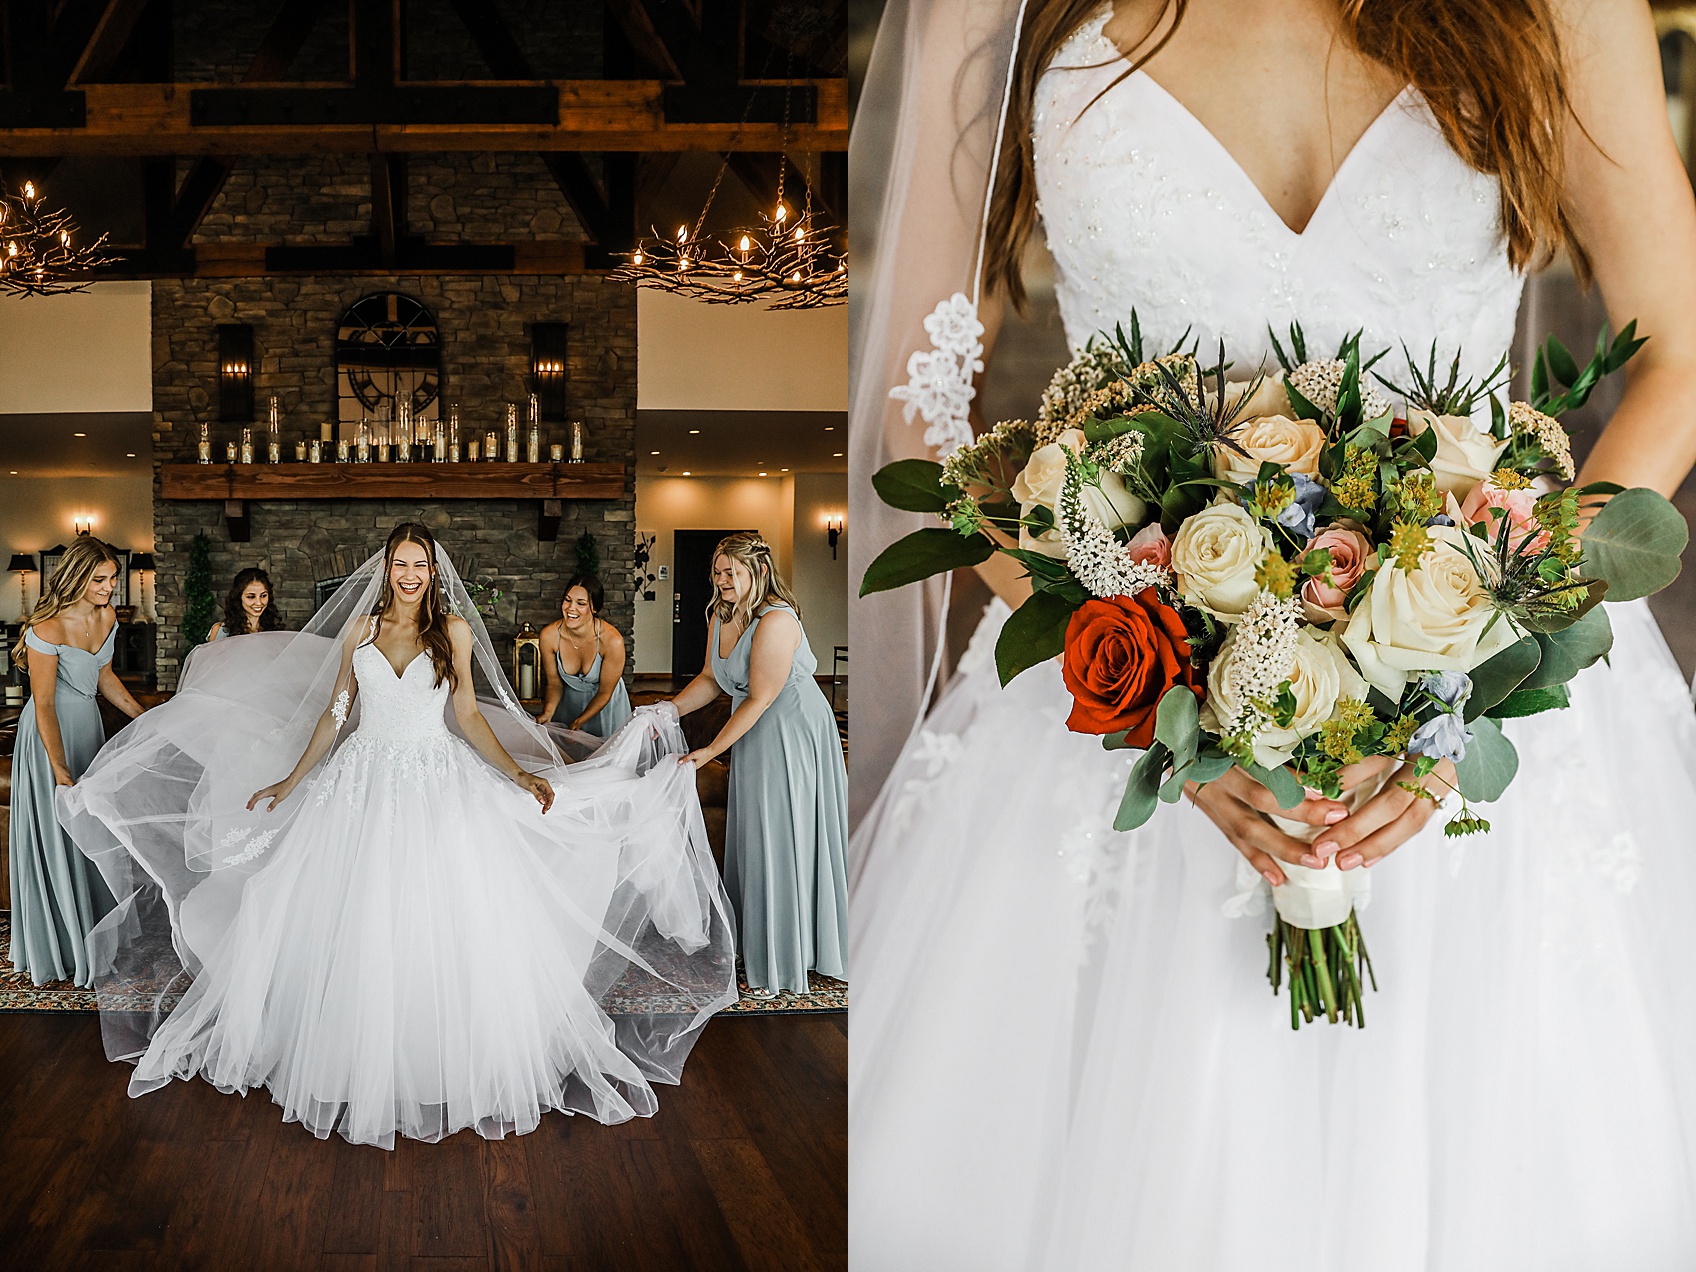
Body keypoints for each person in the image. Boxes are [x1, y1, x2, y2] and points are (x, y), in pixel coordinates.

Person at [848, 0, 1696, 1268]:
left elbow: (1679, 350)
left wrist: (1468, 664)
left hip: (1486, 726)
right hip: (1114, 729)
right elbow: (924, 411)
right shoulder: (988, 10)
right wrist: (1148, 700)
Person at [59, 522, 735, 1148]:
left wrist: (516, 776)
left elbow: (467, 716)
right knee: (353, 921)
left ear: (433, 572)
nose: (410, 574)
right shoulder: (361, 630)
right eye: (400, 564)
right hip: (361, 784)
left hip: (437, 782)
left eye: (420, 564)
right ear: (385, 570)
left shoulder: (456, 634)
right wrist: (291, 782)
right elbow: (334, 717)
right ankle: (349, 1056)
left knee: (438, 919)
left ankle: (441, 1060)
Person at [669, 532, 849, 995]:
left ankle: (792, 955)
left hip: (791, 730)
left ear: (760, 572)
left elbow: (763, 696)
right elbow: (712, 679)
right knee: (757, 834)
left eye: (733, 571)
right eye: (718, 571)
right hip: (753, 729)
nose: (723, 580)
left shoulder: (777, 619)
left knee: (783, 834)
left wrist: (709, 751)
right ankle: (761, 944)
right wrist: (669, 709)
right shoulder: (720, 616)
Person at [7, 536, 146, 986]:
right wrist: (60, 770)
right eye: (100, 580)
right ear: (76, 577)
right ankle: (62, 946)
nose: (109, 588)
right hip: (49, 737)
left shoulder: (106, 617)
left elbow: (104, 678)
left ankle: (96, 936)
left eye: (112, 579)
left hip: (88, 729)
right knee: (59, 828)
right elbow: (43, 704)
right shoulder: (46, 627)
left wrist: (146, 718)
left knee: (93, 829)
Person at [536, 574, 633, 738]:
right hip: (568, 706)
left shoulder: (612, 641)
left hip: (606, 708)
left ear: (594, 608)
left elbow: (605, 692)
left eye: (581, 603)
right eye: (567, 600)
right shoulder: (549, 636)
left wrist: (579, 722)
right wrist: (548, 712)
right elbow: (554, 683)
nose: (570, 608)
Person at [206, 567, 283, 642]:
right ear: (239, 597)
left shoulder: (274, 631)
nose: (259, 602)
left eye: (263, 596)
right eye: (251, 597)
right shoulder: (221, 631)